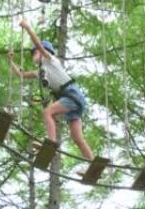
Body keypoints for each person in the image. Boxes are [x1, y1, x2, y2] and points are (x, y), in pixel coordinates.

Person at [7, 18, 94, 160]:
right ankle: (92, 163)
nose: (33, 56)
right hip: (72, 101)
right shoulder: (40, 71)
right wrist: (11, 61)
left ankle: (51, 143)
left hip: (72, 95)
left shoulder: (50, 60)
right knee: (77, 138)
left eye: (35, 53)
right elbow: (21, 75)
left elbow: (37, 44)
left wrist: (28, 27)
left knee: (47, 112)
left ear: (44, 52)